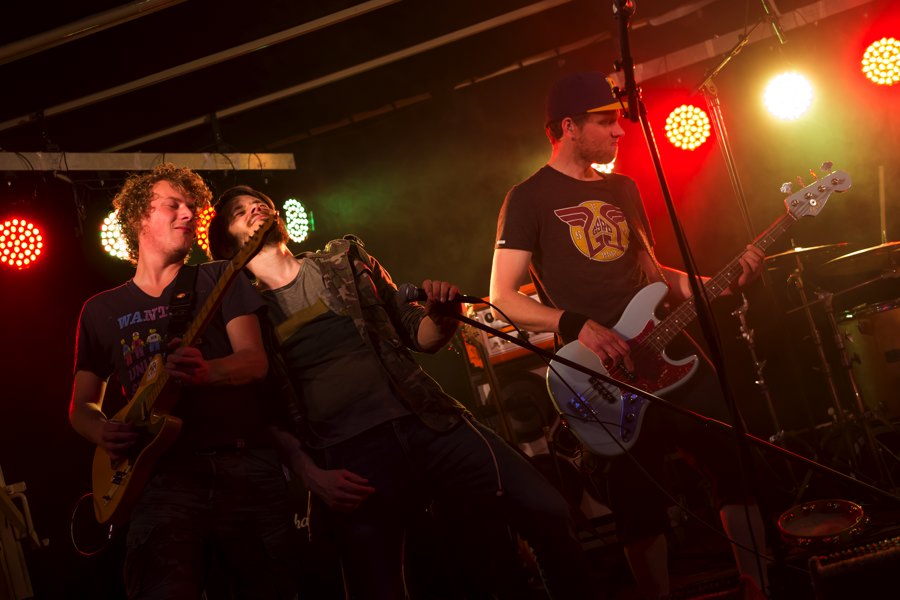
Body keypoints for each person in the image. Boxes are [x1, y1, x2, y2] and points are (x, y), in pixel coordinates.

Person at [206, 185, 596, 600]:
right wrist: (311, 474)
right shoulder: (245, 315)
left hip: (428, 422)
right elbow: (265, 412)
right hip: (351, 456)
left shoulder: (344, 259)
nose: (255, 208)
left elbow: (418, 333)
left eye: (260, 203)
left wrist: (443, 319)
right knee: (380, 587)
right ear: (227, 247)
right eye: (239, 212)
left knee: (548, 510)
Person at [489, 71, 769, 599]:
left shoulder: (623, 188)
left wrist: (721, 281)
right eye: (605, 122)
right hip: (602, 371)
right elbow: (503, 295)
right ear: (568, 127)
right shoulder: (527, 198)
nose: (619, 132)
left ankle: (759, 588)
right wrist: (576, 325)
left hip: (667, 348)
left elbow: (655, 275)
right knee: (638, 504)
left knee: (738, 462)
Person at [68, 164, 298, 599]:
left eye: (192, 207)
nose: (189, 214)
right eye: (173, 205)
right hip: (160, 479)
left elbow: (254, 362)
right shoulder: (100, 310)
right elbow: (81, 407)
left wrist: (208, 372)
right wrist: (103, 431)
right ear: (139, 217)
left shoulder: (219, 276)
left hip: (242, 468)